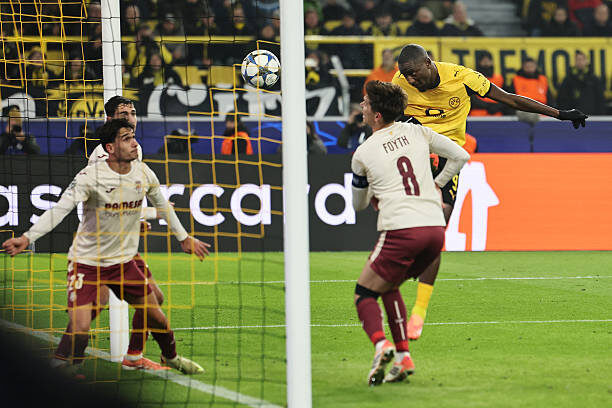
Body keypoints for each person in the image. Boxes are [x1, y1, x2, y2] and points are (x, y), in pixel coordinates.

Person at [391, 44, 587, 341]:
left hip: (449, 156)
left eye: (413, 73)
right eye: (406, 74)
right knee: (417, 225)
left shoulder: (462, 78)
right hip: (414, 153)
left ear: (428, 63)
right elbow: (386, 115)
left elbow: (510, 99)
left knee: (437, 230)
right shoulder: (399, 83)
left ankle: (418, 312)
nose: (410, 79)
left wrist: (559, 114)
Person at [2, 119, 210, 376]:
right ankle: (73, 366)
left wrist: (184, 238)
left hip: (123, 263)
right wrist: (27, 238)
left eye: (133, 137)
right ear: (110, 148)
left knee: (156, 315)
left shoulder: (144, 173)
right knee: (80, 326)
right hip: (87, 263)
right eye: (126, 138)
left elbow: (163, 207)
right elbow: (59, 210)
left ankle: (172, 357)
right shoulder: (90, 176)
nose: (134, 143)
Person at [351, 80, 470, 385]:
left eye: (366, 103)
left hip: (402, 229)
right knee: (389, 286)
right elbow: (461, 156)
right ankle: (403, 357)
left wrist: (369, 189)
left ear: (377, 115)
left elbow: (359, 205)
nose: (362, 106)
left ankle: (381, 344)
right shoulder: (417, 132)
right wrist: (436, 185)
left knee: (364, 293)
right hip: (434, 230)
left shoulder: (363, 153)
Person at [84, 96, 173, 371]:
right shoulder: (104, 155)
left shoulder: (134, 147)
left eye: (133, 112)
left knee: (154, 298)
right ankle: (64, 360)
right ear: (110, 119)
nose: (131, 118)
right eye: (124, 113)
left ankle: (133, 356)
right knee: (93, 306)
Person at [557, 50, 605, 115]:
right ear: (575, 62)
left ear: (586, 61)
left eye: (582, 59)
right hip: (573, 116)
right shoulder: (568, 80)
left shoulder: (594, 79)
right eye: (578, 60)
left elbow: (600, 99)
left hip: (591, 116)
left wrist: (599, 115)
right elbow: (562, 100)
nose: (580, 62)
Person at [469, 51, 505, 116]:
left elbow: (504, 96)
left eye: (488, 61)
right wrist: (488, 106)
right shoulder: (473, 78)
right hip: (477, 114)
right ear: (479, 62)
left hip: (496, 114)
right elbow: (471, 98)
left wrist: (498, 106)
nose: (486, 63)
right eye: (484, 61)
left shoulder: (499, 78)